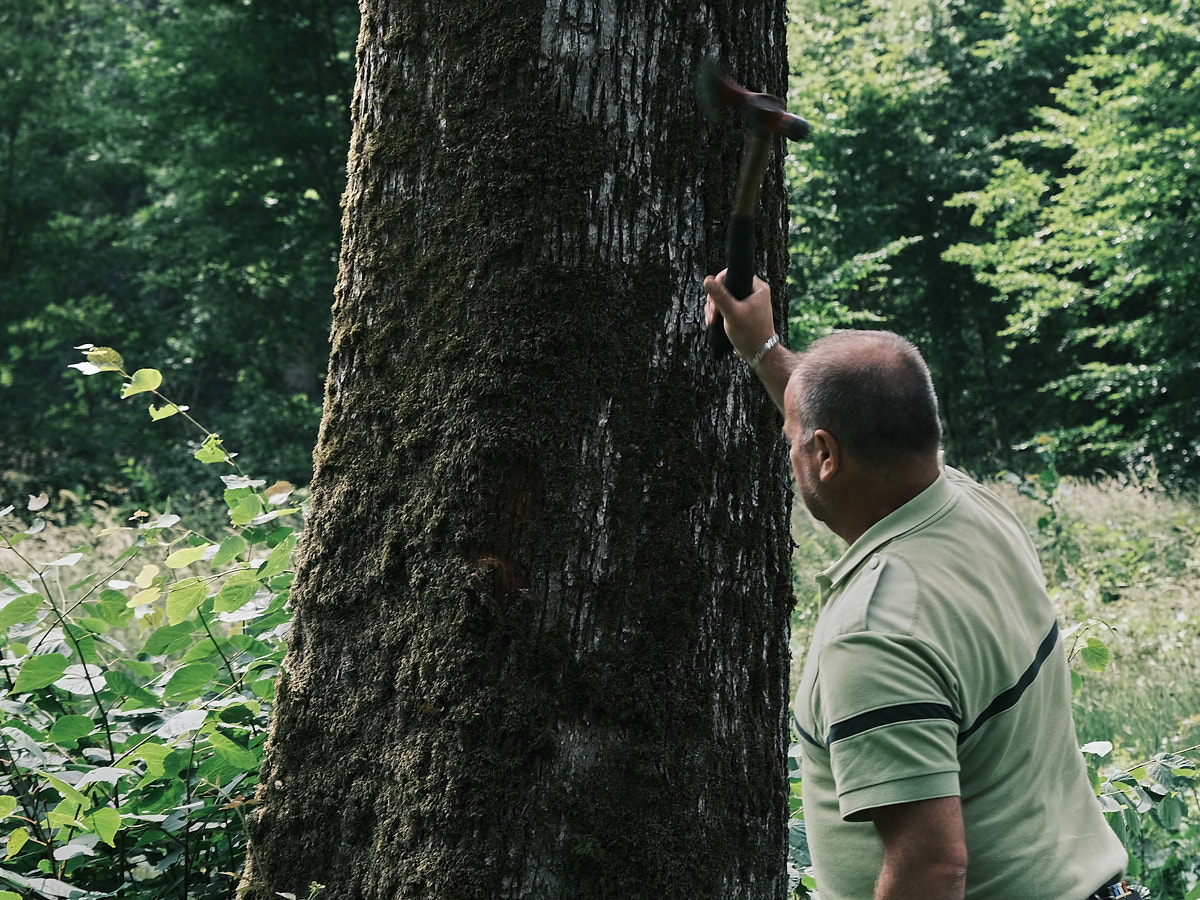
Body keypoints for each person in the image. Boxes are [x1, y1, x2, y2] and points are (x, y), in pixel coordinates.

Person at [702, 271, 1134, 900]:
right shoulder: (971, 507)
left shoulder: (872, 638)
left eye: (792, 441)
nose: (788, 448)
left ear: (825, 455)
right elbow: (852, 417)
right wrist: (766, 351)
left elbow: (931, 868)